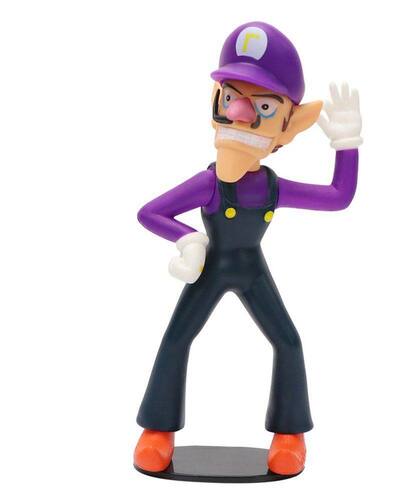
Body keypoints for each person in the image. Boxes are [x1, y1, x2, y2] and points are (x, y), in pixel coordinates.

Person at [134, 21, 363, 476]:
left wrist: (346, 145)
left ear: (289, 126)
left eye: (263, 106)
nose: (239, 113)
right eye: (231, 97)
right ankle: (157, 431)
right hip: (211, 268)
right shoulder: (209, 183)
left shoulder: (271, 188)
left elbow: (338, 197)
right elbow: (150, 212)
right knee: (176, 338)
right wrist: (189, 239)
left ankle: (289, 435)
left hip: (252, 269)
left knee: (287, 341)